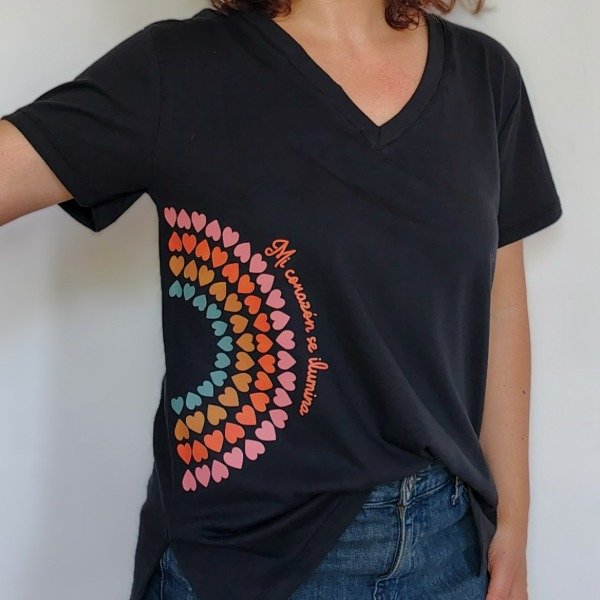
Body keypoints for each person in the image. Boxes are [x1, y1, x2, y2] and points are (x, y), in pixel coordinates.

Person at [0, 0, 563, 598]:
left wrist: (513, 519)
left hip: (447, 547)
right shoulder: (176, 68)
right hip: (247, 561)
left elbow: (501, 301)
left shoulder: (485, 76)